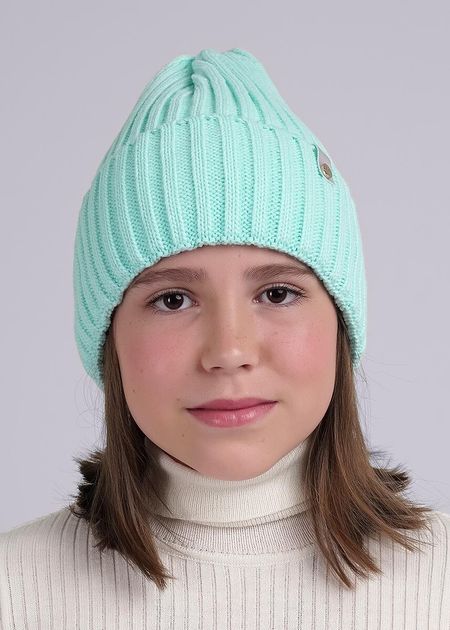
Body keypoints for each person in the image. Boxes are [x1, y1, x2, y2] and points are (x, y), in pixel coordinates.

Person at [1, 47, 449, 629]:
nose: (229, 352)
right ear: (109, 337)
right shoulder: (14, 592)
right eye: (172, 300)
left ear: (341, 322)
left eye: (277, 294)